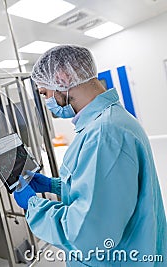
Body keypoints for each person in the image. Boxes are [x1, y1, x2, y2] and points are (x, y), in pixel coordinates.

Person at [13, 45, 167, 266]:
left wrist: (34, 206)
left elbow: (89, 233)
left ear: (62, 78)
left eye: (44, 93)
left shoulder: (104, 133)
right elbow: (110, 190)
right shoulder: (111, 120)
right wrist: (55, 185)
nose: (47, 102)